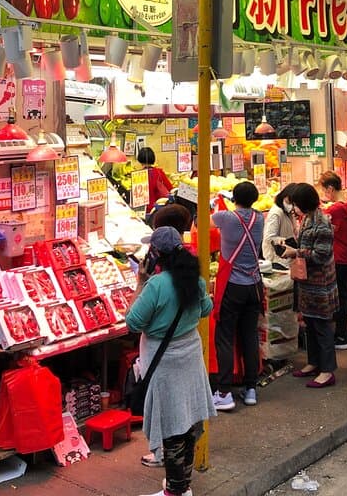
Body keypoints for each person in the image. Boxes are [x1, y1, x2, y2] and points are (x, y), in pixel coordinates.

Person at [127, 227, 215, 496]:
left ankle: (176, 491)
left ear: (155, 254)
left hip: (165, 363)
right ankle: (181, 485)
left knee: (173, 425)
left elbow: (133, 322)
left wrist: (140, 282)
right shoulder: (193, 278)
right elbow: (206, 309)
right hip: (189, 355)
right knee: (187, 420)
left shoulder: (156, 285)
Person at [210, 181, 264, 411]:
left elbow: (207, 220)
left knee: (225, 336)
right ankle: (250, 388)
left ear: (235, 198)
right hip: (254, 284)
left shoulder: (227, 218)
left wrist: (214, 201)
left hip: (232, 285)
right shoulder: (260, 217)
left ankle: (224, 392)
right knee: (249, 335)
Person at [282, 184, 338, 388]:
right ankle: (314, 362)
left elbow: (321, 255)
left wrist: (295, 252)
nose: (294, 208)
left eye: (295, 204)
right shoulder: (307, 219)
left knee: (322, 326)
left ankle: (327, 370)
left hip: (320, 283)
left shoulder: (322, 224)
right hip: (308, 283)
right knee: (311, 325)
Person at [318, 171, 347, 350]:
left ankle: (341, 336)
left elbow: (323, 226)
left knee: (341, 296)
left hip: (340, 256)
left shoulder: (335, 208)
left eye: (324, 190)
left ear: (330, 188)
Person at [262, 183, 299, 265]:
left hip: (287, 258)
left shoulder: (289, 212)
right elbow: (269, 237)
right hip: (277, 259)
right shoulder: (276, 213)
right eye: (289, 201)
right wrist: (282, 241)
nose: (291, 205)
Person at [138, 147, 173, 213]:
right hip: (160, 209)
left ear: (140, 160)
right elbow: (170, 189)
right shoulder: (159, 172)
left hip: (146, 211)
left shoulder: (138, 175)